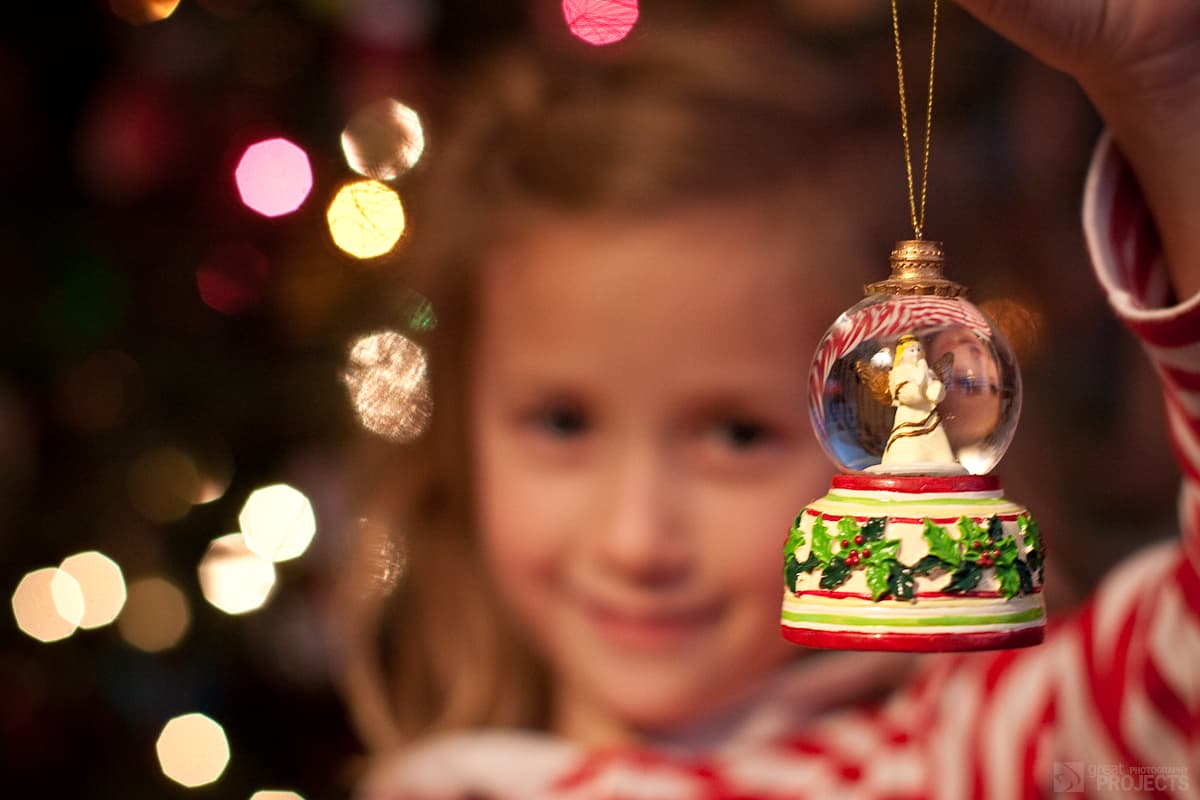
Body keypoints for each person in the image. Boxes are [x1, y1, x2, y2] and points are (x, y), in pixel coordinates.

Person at [338, 1, 1200, 796]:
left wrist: (1163, 85)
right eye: (562, 423)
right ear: (460, 434)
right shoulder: (441, 786)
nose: (635, 540)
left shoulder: (958, 751)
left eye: (737, 435)